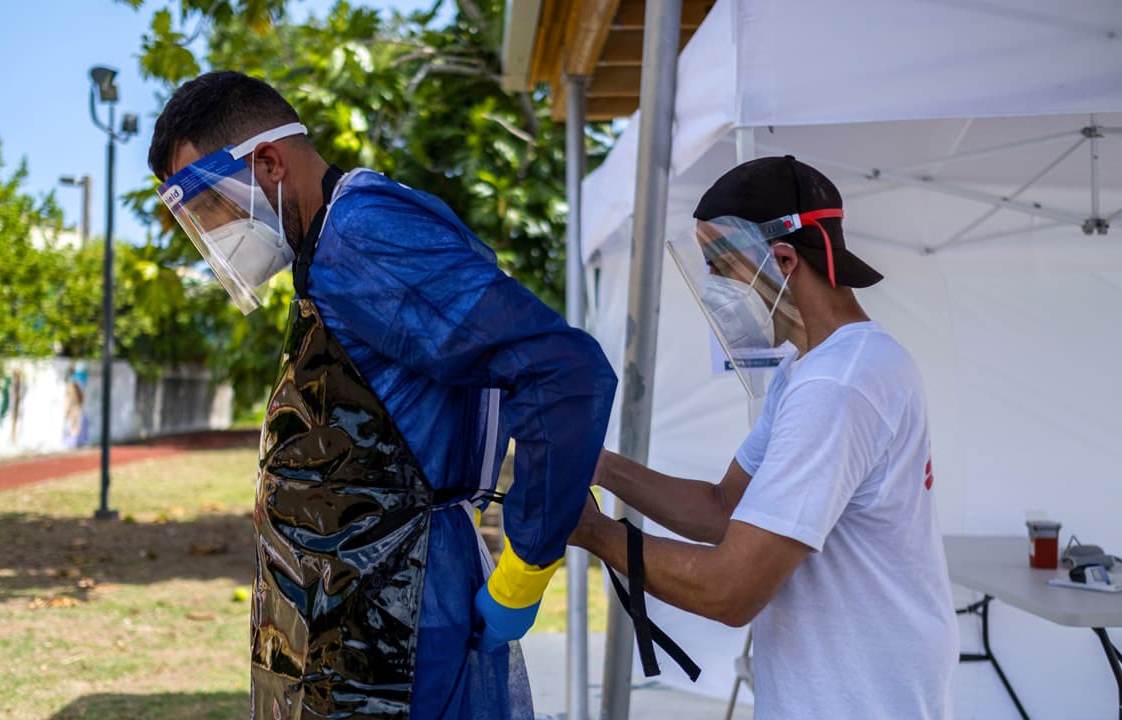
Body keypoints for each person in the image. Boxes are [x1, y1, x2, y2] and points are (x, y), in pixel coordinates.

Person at [148, 71, 616, 720]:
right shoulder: (327, 247)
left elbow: (563, 371)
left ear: (268, 162)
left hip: (405, 621)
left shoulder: (362, 234)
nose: (216, 232)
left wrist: (523, 573)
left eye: (211, 208)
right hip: (352, 620)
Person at [570, 156, 959, 720]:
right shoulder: (809, 372)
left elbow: (733, 589)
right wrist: (599, 465)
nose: (713, 291)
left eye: (720, 268)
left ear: (782, 260)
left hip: (861, 699)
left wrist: (593, 532)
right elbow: (724, 507)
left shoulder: (838, 385)